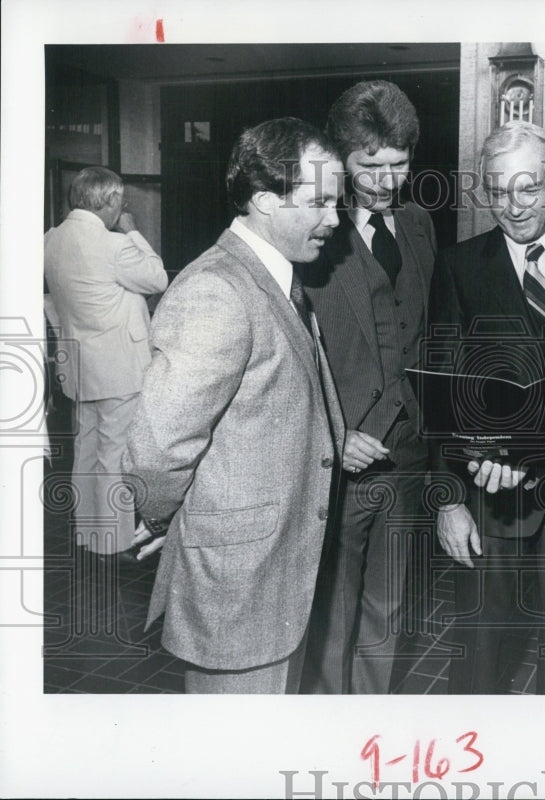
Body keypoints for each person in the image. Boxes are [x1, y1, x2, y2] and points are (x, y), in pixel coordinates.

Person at [124, 118, 346, 693]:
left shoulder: (278, 279)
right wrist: (160, 516)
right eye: (319, 201)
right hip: (238, 584)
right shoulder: (217, 289)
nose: (335, 219)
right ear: (266, 200)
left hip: (274, 575)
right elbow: (157, 446)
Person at [428, 120, 545, 694]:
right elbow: (440, 390)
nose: (513, 207)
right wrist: (448, 501)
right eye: (498, 190)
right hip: (489, 495)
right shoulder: (458, 266)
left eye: (528, 188)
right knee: (481, 656)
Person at [299, 81, 437, 694]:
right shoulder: (311, 233)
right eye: (370, 166)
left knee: (388, 609)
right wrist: (335, 428)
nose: (387, 180)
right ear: (341, 162)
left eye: (400, 164)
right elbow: (297, 350)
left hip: (405, 453)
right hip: (340, 460)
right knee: (333, 611)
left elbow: (424, 333)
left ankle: (369, 726)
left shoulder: (419, 224)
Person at [44, 166, 167, 559]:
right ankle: (113, 541)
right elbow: (157, 279)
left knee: (85, 449)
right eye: (121, 202)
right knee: (113, 453)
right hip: (118, 366)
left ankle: (87, 534)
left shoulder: (50, 240)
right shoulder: (115, 244)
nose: (122, 208)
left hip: (77, 365)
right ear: (110, 201)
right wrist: (132, 229)